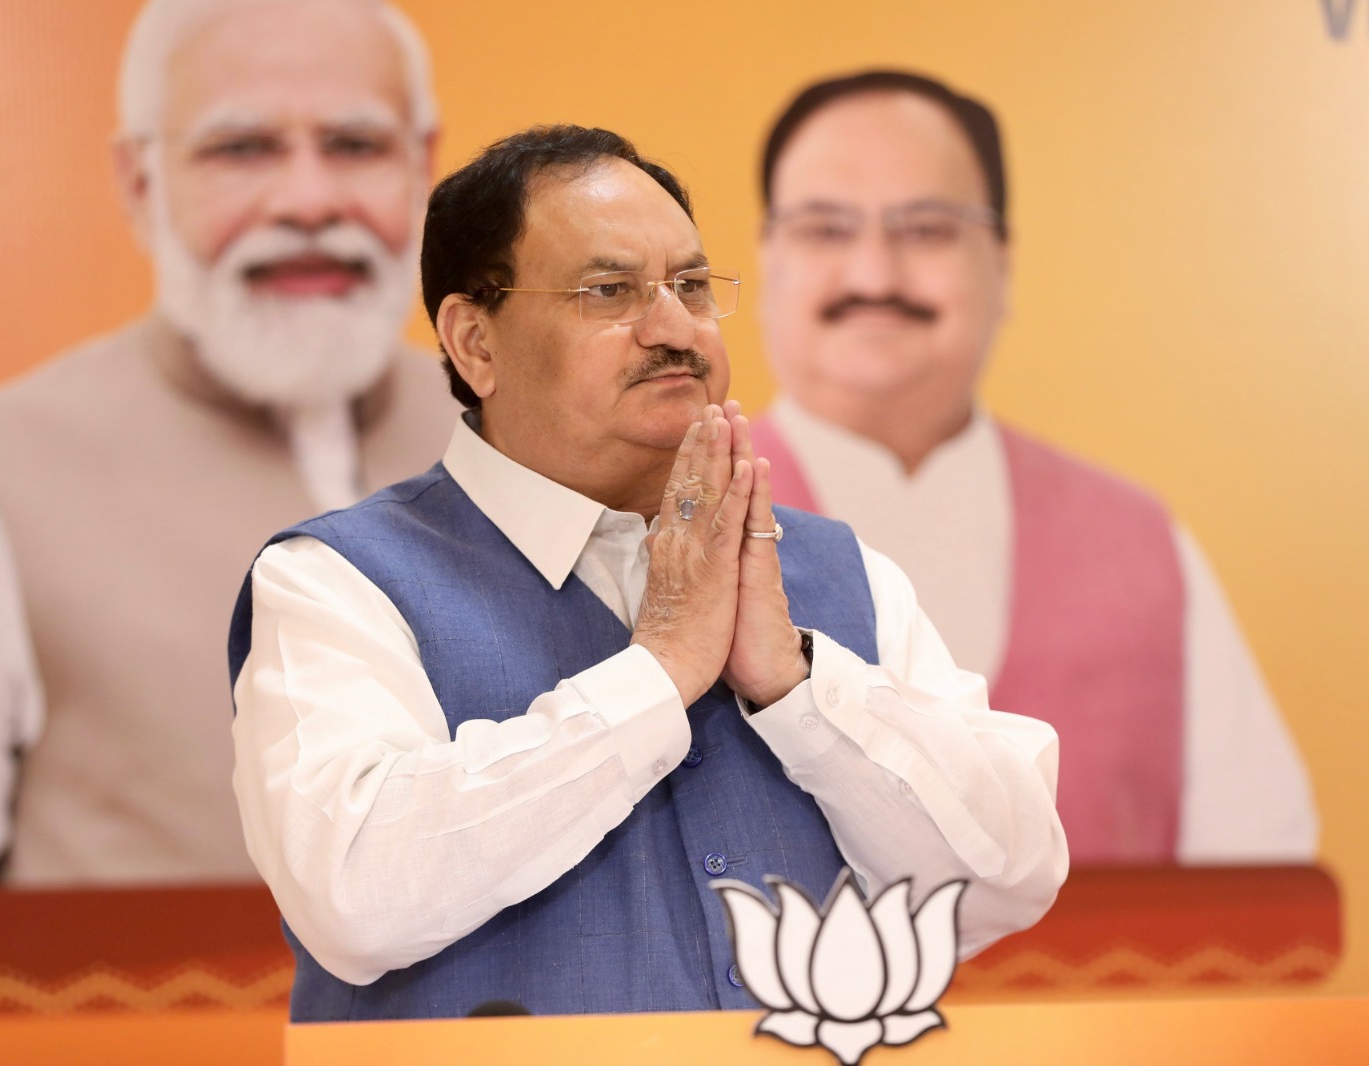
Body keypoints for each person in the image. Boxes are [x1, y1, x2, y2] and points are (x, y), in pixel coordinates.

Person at [229, 124, 1067, 1021]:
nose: (674, 329)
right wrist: (658, 670)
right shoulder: (335, 582)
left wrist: (798, 689)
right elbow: (355, 896)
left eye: (693, 287)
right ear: (475, 343)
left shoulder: (841, 571)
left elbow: (1008, 877)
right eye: (609, 290)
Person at [0, 0, 455, 891]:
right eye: (240, 149)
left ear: (422, 167)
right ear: (139, 182)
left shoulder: (528, 442)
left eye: (356, 145)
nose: (310, 201)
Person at [751, 70, 1317, 865]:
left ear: (1004, 263)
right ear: (765, 260)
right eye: (824, 228)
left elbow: (1259, 869)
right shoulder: (660, 521)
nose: (874, 275)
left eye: (927, 229)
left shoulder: (1138, 543)